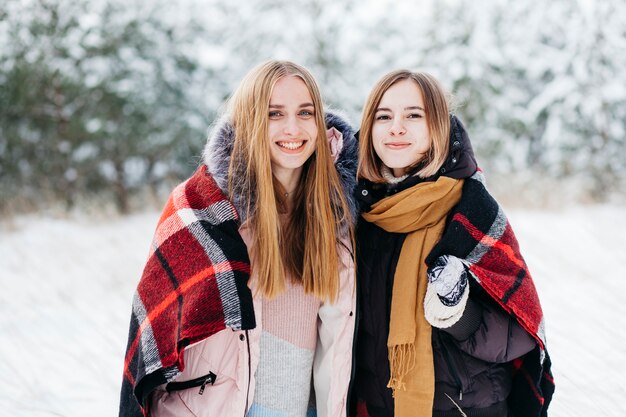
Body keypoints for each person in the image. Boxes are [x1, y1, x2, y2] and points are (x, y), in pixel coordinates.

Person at [119, 60, 359, 417]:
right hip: (218, 408)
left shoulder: (337, 215)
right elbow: (155, 330)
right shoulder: (202, 208)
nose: (292, 128)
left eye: (305, 112)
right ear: (249, 120)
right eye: (274, 113)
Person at [350, 70, 554, 417]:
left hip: (465, 407)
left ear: (438, 127)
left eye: (414, 115)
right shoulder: (357, 213)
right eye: (384, 116)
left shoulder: (472, 210)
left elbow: (521, 333)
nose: (396, 127)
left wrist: (457, 311)